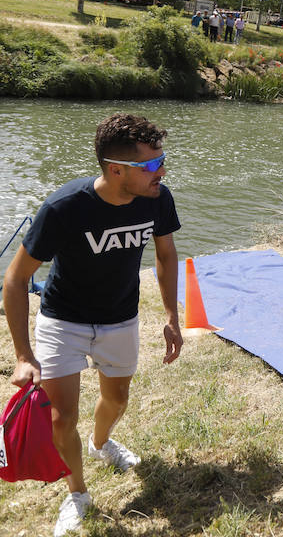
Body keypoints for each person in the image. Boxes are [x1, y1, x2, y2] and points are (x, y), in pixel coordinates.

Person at [3, 113, 183, 536]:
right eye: (153, 164)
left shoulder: (157, 197)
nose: (162, 171)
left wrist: (172, 316)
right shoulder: (65, 207)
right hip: (63, 320)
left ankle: (101, 445)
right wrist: (23, 355)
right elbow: (14, 279)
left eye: (163, 160)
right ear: (117, 169)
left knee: (117, 400)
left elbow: (166, 255)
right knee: (62, 418)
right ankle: (78, 494)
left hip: (120, 317)